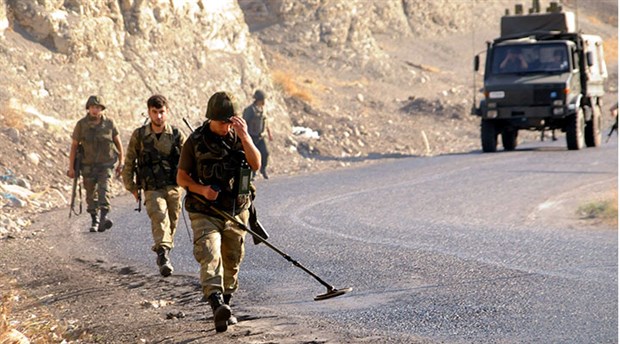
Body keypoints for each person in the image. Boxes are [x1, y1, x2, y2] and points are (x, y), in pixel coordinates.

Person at [177, 91, 261, 333]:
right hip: (205, 209)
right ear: (211, 118)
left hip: (236, 209)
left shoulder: (239, 137)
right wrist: (201, 189)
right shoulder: (195, 141)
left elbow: (256, 164)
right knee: (210, 253)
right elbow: (182, 177)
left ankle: (226, 305)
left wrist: (245, 136)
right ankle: (216, 304)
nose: (226, 126)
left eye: (230, 121)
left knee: (232, 258)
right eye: (222, 122)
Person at [121, 95, 186, 277]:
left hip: (173, 186)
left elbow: (189, 161)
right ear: (149, 112)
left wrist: (193, 186)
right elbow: (129, 162)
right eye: (155, 112)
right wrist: (132, 187)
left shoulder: (176, 134)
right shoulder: (140, 135)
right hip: (151, 187)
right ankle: (163, 255)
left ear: (167, 112)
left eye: (161, 112)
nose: (158, 116)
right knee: (159, 215)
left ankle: (163, 249)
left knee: (172, 221)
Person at [68, 95, 124, 233]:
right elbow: (74, 146)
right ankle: (95, 219)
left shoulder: (109, 123)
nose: (95, 110)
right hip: (88, 166)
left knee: (104, 190)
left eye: (98, 107)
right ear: (88, 108)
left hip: (106, 165)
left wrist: (121, 162)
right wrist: (71, 168)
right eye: (93, 107)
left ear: (102, 109)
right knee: (90, 194)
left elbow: (118, 143)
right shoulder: (81, 125)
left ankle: (104, 218)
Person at [243, 89, 272, 179]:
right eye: (263, 100)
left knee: (265, 153)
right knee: (252, 156)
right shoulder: (250, 110)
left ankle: (263, 169)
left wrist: (269, 133)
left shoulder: (263, 109)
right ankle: (253, 173)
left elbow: (266, 122)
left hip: (261, 136)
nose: (264, 102)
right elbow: (245, 122)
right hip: (252, 136)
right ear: (259, 100)